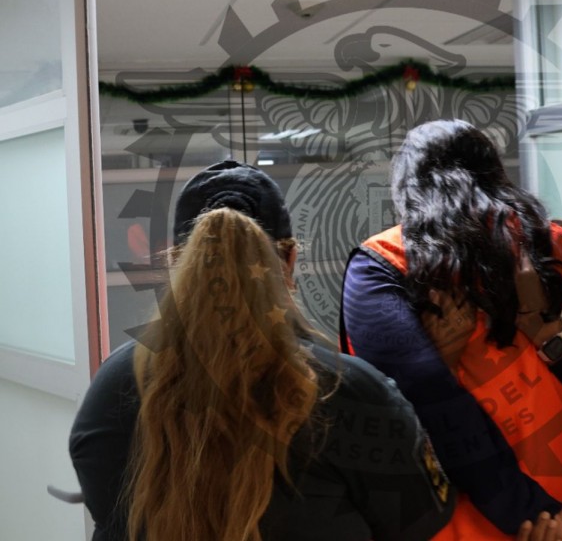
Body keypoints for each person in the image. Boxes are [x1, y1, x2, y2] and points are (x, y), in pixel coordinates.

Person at [69, 160, 456, 541]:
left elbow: (106, 509)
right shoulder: (350, 391)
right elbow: (417, 520)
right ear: (289, 260)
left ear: (176, 262)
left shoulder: (113, 387)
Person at [340, 120, 562, 540]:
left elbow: (426, 404)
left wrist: (534, 515)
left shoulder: (383, 267)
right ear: (495, 173)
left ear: (408, 192)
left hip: (465, 527)